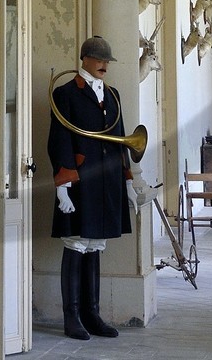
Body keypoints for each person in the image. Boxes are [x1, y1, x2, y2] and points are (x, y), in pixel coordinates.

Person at [47, 35, 141, 340]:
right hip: (81, 179)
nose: (104, 65)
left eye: (107, 61)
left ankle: (92, 313)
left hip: (107, 180)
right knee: (76, 245)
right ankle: (71, 316)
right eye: (99, 60)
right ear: (85, 58)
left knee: (95, 245)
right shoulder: (65, 94)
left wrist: (127, 179)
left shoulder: (113, 94)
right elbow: (60, 139)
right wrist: (63, 183)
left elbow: (123, 138)